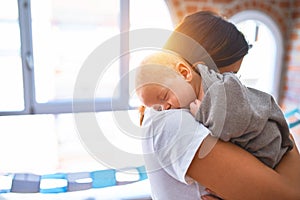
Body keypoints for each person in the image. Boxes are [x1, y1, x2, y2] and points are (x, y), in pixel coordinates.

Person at [135, 11, 300, 199]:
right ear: (199, 70)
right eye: (228, 76)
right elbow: (290, 195)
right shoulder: (172, 122)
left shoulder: (184, 112)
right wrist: (285, 136)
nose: (236, 87)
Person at [136, 50, 293, 170]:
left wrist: (202, 113)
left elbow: (234, 123)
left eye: (164, 96)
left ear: (184, 73)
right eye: (158, 107)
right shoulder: (191, 102)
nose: (166, 108)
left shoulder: (221, 88)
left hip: (268, 148)